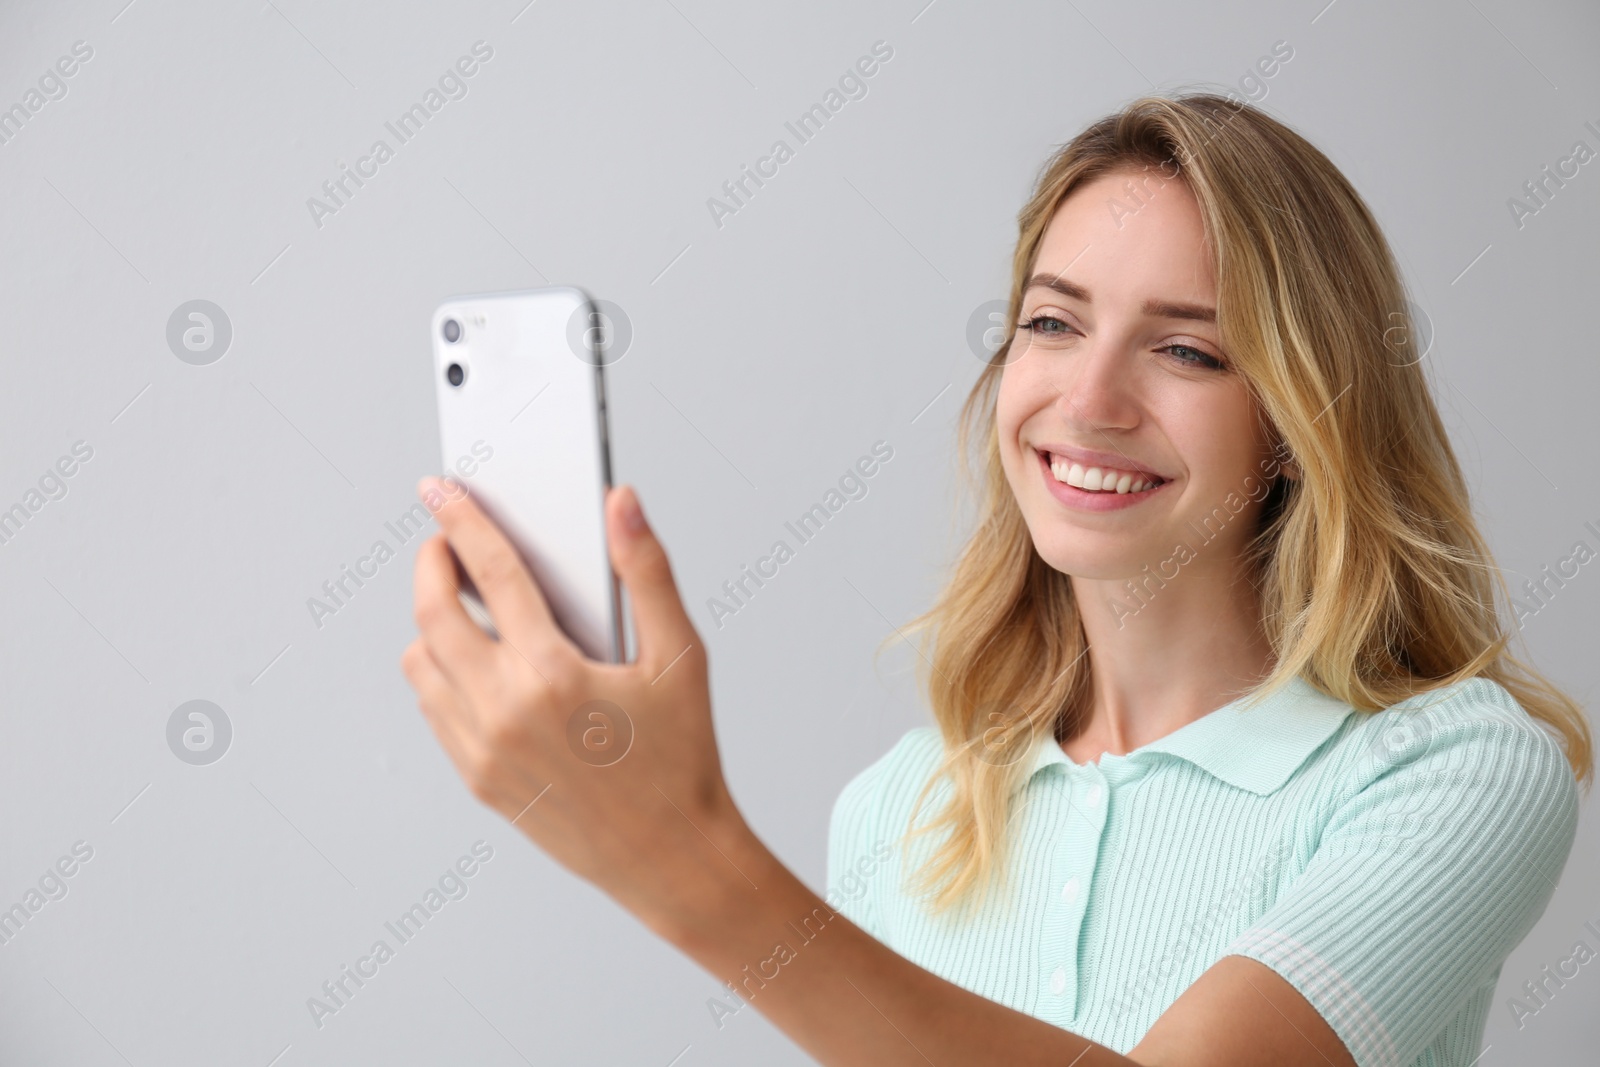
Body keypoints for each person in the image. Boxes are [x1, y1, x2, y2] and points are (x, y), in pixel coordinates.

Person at [400, 92, 1591, 1066]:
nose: (1088, 399)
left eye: (1186, 348)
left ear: (1298, 417)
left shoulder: (1453, 768)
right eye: (1052, 323)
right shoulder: (899, 806)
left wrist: (685, 860)